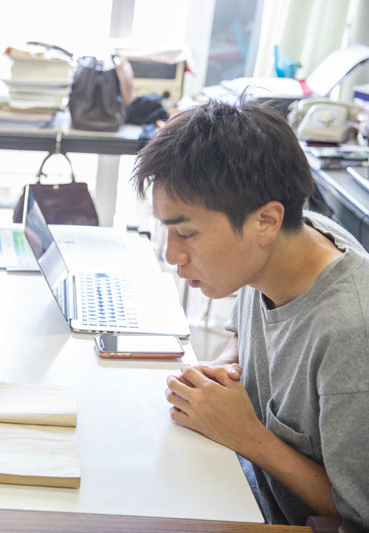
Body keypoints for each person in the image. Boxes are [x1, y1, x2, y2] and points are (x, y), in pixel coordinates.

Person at [132, 100, 369, 528]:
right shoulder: (288, 243)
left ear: (266, 221)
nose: (172, 255)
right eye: (167, 230)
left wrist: (247, 436)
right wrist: (220, 370)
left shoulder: (352, 330)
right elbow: (244, 335)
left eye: (186, 233)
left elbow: (356, 513)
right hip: (237, 486)